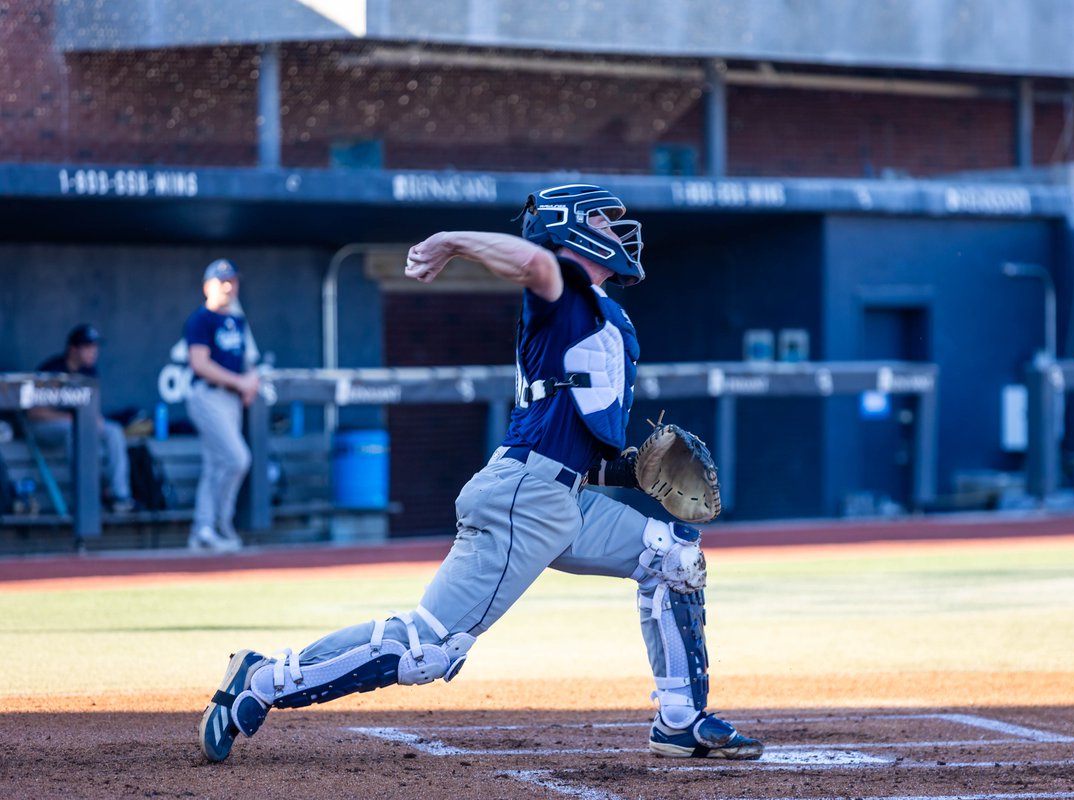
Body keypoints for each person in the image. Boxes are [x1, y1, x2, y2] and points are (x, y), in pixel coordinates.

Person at [198, 185, 763, 762]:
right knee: (428, 648)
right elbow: (535, 262)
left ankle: (679, 719)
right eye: (603, 220)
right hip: (526, 498)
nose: (619, 232)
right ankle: (262, 679)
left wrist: (629, 471)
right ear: (571, 229)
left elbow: (570, 445)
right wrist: (450, 241)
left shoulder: (591, 308)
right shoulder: (563, 288)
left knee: (675, 558)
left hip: (558, 497)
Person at [184, 258, 259, 553]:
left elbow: (250, 360)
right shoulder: (201, 319)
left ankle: (206, 528)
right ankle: (217, 522)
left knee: (216, 464)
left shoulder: (239, 320)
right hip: (207, 395)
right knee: (237, 458)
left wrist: (250, 380)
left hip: (231, 400)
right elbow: (199, 364)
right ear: (208, 286)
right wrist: (240, 382)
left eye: (233, 281)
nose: (228, 286)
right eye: (222, 281)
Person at [28, 324, 136, 513]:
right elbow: (33, 413)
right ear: (73, 349)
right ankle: (86, 498)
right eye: (87, 347)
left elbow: (91, 410)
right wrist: (70, 418)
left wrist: (96, 420)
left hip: (76, 426)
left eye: (95, 347)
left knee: (113, 431)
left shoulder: (90, 372)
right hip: (44, 428)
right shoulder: (52, 370)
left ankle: (120, 495)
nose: (93, 352)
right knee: (76, 432)